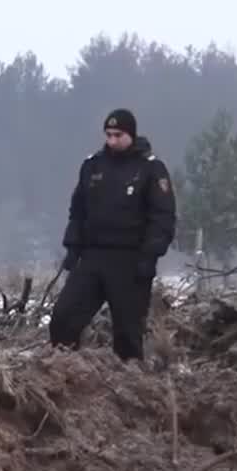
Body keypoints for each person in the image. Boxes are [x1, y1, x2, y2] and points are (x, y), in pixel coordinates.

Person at [49, 109, 176, 361]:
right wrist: (73, 248)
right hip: (93, 256)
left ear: (130, 134)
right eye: (108, 135)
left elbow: (163, 217)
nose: (112, 141)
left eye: (118, 135)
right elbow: (78, 211)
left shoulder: (150, 168)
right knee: (63, 319)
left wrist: (150, 257)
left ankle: (130, 386)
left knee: (128, 335)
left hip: (130, 260)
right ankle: (67, 372)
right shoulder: (93, 166)